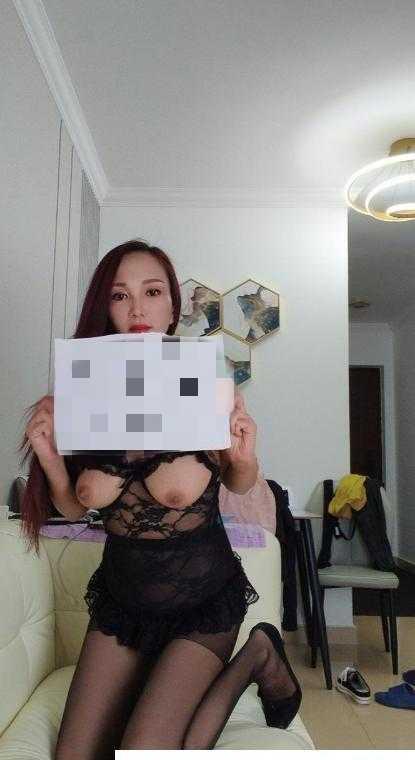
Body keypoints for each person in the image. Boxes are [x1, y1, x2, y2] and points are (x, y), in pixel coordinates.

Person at [19, 239, 302, 756]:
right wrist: (51, 459)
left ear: (173, 306)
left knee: (145, 750)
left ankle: (258, 654)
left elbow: (238, 483)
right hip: (122, 602)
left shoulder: (203, 383)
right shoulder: (83, 393)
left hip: (202, 603)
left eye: (151, 292)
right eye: (119, 295)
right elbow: (76, 507)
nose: (137, 309)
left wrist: (244, 455)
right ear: (105, 308)